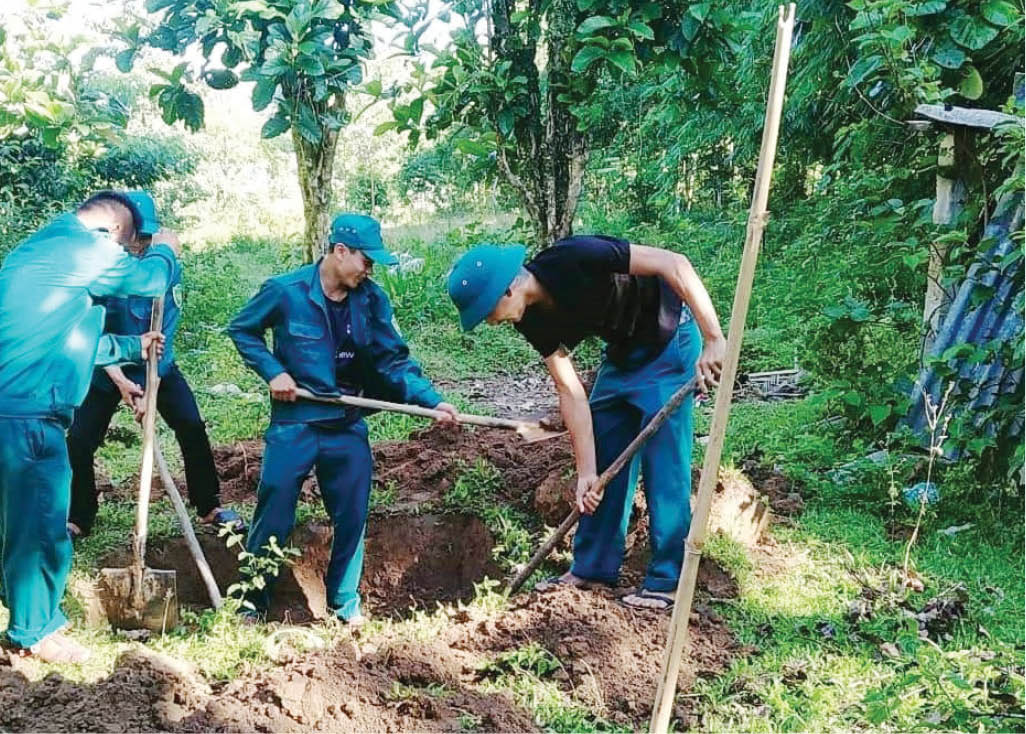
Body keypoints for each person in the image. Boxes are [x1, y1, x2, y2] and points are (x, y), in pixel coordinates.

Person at [447, 235, 725, 610]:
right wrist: (586, 472)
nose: (490, 322)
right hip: (623, 354)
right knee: (606, 448)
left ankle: (668, 581)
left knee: (665, 461)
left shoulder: (575, 257)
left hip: (669, 338)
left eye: (486, 312)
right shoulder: (530, 319)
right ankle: (593, 568)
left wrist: (714, 339)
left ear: (509, 289)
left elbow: (674, 263)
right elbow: (569, 390)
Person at [228, 213, 457, 624]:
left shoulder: (371, 300)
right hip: (295, 421)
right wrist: (273, 372)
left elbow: (393, 360)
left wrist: (430, 400)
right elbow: (243, 330)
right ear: (339, 251)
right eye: (366, 261)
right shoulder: (285, 291)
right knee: (274, 508)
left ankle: (344, 608)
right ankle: (252, 604)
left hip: (347, 421)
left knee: (352, 514)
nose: (369, 270)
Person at [0, 191, 179, 662]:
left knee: (16, 522)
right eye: (129, 247)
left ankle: (24, 612)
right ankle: (34, 631)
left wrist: (130, 345)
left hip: (13, 405)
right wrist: (164, 249)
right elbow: (152, 279)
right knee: (41, 524)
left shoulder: (39, 251)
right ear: (116, 232)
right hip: (27, 416)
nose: (125, 256)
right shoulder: (87, 247)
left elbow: (64, 342)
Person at [66, 191, 243, 539]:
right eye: (136, 240)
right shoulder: (101, 272)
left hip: (157, 366)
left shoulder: (165, 270)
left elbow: (165, 335)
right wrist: (120, 382)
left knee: (191, 425)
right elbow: (91, 335)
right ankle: (78, 517)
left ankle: (209, 506)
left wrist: (151, 389)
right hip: (107, 366)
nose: (140, 248)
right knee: (79, 439)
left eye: (147, 240)